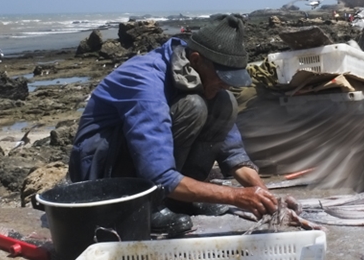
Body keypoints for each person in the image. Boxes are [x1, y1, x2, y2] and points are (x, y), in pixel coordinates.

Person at [69, 14, 277, 234]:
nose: (226, 83)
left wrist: (263, 195)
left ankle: (180, 201)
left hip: (153, 174)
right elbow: (158, 174)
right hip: (103, 174)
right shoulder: (145, 82)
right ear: (196, 60)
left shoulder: (197, 75)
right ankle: (147, 206)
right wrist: (235, 197)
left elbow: (232, 152)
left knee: (226, 103)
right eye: (222, 76)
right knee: (193, 107)